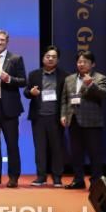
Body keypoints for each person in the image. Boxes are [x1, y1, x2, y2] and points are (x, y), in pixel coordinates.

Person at [61, 50, 106, 189]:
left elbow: (104, 94)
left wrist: (91, 84)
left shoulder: (100, 78)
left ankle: (96, 183)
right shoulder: (69, 79)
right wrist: (63, 115)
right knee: (76, 153)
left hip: (92, 122)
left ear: (92, 64)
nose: (81, 64)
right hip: (73, 120)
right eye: (79, 62)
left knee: (94, 153)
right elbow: (65, 99)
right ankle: (78, 180)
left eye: (85, 62)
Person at [0, 29, 26, 188]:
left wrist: (9, 79)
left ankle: (13, 176)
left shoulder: (15, 59)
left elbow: (23, 81)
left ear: (7, 41)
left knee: (12, 144)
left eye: (2, 40)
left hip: (9, 107)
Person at [24, 46, 68, 187]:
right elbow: (26, 92)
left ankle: (57, 177)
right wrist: (31, 93)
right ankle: (41, 177)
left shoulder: (65, 76)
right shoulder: (34, 74)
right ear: (43, 58)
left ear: (58, 60)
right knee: (40, 148)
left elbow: (66, 97)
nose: (50, 59)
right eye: (48, 56)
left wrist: (65, 114)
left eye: (54, 57)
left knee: (57, 148)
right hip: (38, 117)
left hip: (56, 117)